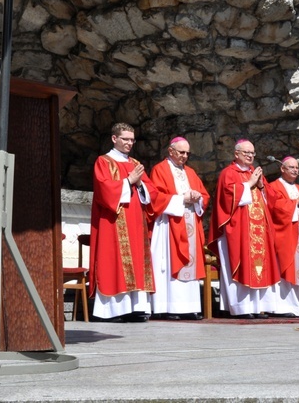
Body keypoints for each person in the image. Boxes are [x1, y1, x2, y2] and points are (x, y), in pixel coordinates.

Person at [89, 123, 158, 322]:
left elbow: (151, 192)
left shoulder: (135, 163)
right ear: (114, 139)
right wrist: (128, 181)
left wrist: (140, 183)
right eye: (125, 139)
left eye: (131, 140)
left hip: (135, 221)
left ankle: (136, 307)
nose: (129, 143)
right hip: (113, 221)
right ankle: (112, 311)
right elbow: (104, 190)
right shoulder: (103, 161)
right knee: (114, 261)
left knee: (136, 260)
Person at [209, 139, 280, 319]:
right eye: (246, 152)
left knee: (259, 266)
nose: (250, 156)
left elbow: (271, 199)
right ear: (236, 154)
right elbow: (226, 199)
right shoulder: (228, 173)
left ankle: (257, 307)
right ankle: (241, 308)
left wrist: (261, 185)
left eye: (252, 153)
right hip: (238, 231)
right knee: (240, 265)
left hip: (258, 232)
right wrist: (248, 184)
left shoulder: (255, 173)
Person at [148, 137, 210, 320]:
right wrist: (181, 198)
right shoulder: (160, 170)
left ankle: (188, 307)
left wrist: (198, 198)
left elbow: (204, 195)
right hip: (169, 224)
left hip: (189, 222)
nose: (184, 156)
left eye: (187, 153)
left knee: (190, 262)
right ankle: (169, 307)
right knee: (169, 263)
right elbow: (156, 197)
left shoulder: (190, 172)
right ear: (170, 151)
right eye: (181, 152)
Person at [267, 156, 299, 317]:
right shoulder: (274, 186)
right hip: (285, 235)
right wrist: (296, 202)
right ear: (282, 169)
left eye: (297, 168)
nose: (295, 170)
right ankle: (283, 307)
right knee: (286, 268)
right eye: (291, 167)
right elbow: (275, 208)